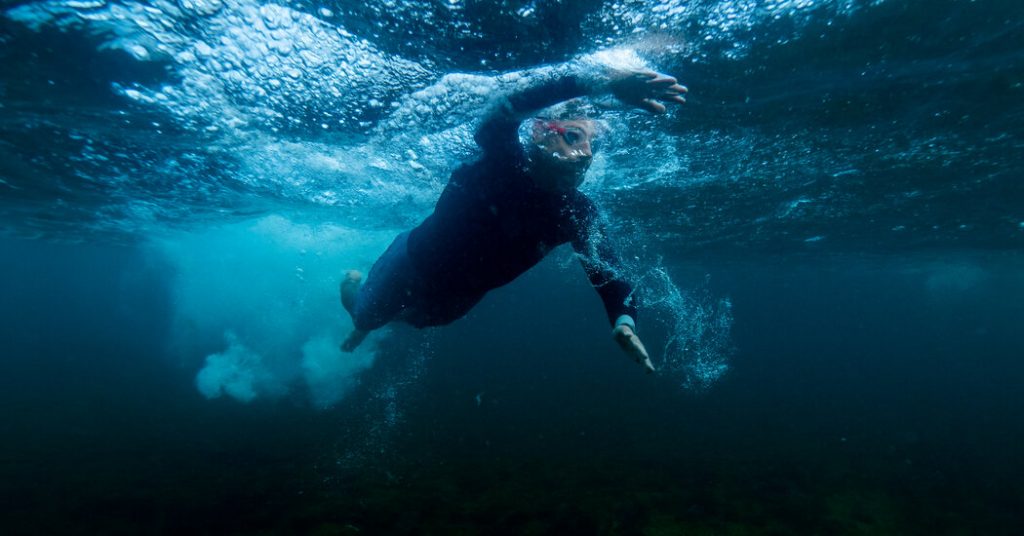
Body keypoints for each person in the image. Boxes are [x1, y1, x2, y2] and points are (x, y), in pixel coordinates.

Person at [339, 57, 687, 373]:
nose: (585, 155)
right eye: (573, 136)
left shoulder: (576, 211)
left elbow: (608, 273)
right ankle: (356, 294)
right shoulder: (501, 158)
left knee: (418, 322)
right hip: (410, 265)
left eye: (591, 145)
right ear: (539, 133)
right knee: (366, 315)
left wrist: (623, 321)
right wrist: (603, 81)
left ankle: (381, 314)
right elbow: (505, 107)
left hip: (459, 299)